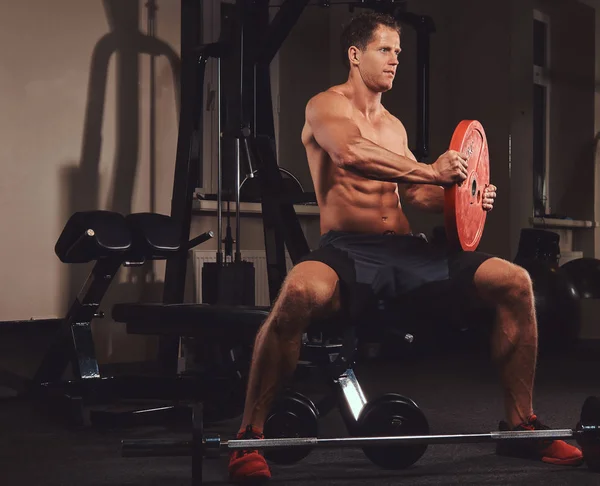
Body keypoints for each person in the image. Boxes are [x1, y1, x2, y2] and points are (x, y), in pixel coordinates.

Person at [228, 11, 583, 484]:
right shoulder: (325, 106)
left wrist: (466, 195)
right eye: (385, 49)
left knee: (514, 281)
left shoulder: (394, 126)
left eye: (399, 51)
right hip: (348, 249)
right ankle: (250, 438)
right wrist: (431, 171)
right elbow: (350, 153)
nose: (396, 59)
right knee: (296, 294)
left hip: (407, 250)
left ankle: (521, 427)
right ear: (355, 55)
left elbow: (416, 194)